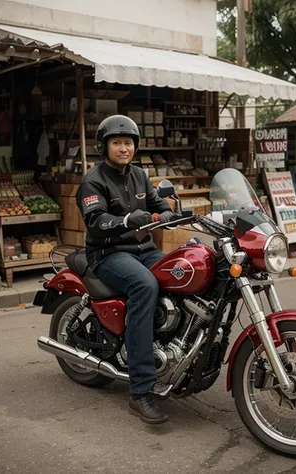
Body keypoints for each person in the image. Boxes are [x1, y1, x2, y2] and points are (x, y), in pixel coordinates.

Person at [76, 115, 175, 425]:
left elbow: (159, 204)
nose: (123, 148)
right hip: (108, 253)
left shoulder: (140, 176)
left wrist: (171, 211)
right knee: (145, 285)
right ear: (104, 146)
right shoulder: (93, 180)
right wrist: (123, 221)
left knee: (181, 271)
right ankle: (141, 389)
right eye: (117, 142)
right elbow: (95, 220)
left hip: (143, 250)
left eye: (128, 143)